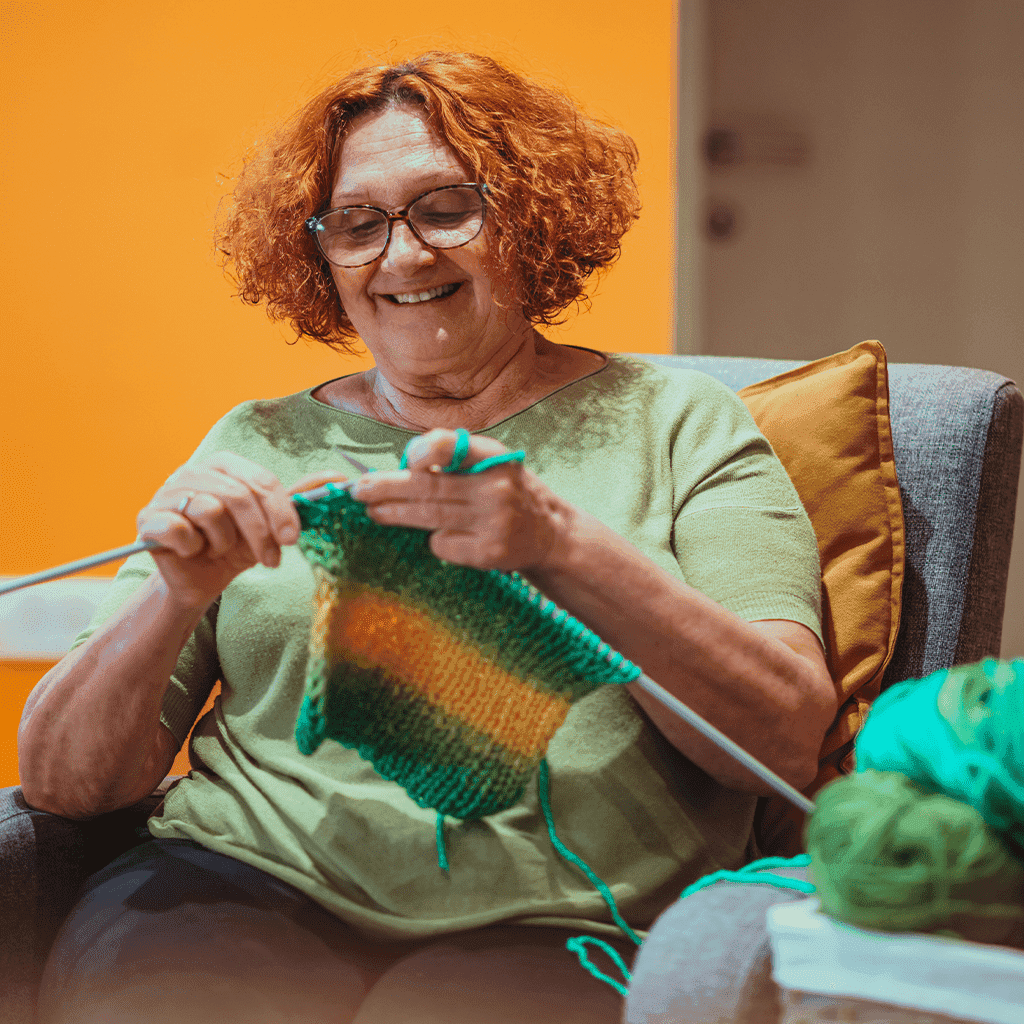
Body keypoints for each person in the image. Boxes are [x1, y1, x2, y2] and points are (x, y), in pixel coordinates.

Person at [18, 51, 837, 1024]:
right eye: (357, 223)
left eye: (446, 207)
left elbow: (784, 738)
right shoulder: (259, 439)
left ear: (527, 215)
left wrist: (563, 545)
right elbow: (64, 780)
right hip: (234, 882)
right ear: (318, 253)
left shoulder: (677, 421)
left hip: (565, 923)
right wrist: (174, 593)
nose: (402, 255)